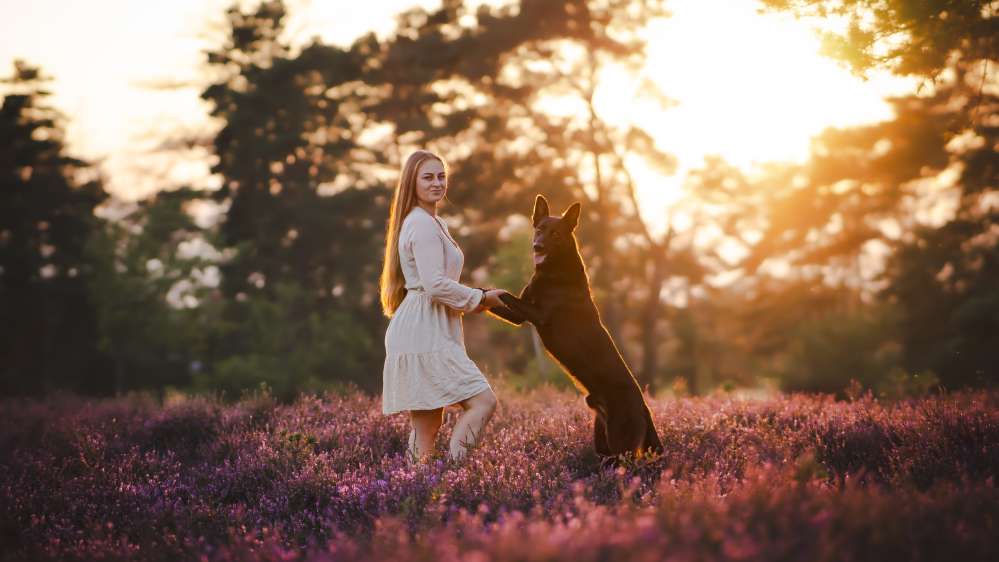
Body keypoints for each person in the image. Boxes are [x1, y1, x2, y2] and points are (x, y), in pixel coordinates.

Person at [379, 149, 508, 463]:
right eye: (428, 177)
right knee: (483, 401)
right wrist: (480, 298)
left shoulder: (433, 222)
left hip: (425, 325)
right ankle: (452, 475)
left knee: (427, 425)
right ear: (412, 182)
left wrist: (476, 299)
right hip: (423, 329)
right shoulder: (421, 224)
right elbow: (435, 284)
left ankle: (418, 491)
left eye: (441, 176)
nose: (437, 183)